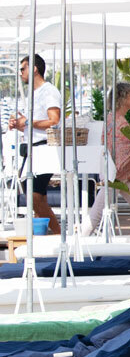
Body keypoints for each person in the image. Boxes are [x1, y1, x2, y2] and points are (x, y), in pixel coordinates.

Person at [88, 81, 130, 230]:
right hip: (116, 175)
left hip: (122, 175)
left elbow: (126, 146)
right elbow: (125, 148)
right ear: (123, 98)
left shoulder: (114, 119)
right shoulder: (118, 123)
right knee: (95, 217)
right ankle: (78, 244)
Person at [8, 54, 62, 234]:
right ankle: (45, 234)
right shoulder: (34, 94)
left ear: (34, 68)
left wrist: (28, 122)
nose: (20, 73)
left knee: (35, 196)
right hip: (33, 149)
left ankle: (56, 234)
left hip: (45, 149)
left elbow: (54, 120)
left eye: (22, 68)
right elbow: (31, 123)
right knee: (34, 196)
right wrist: (19, 125)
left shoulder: (49, 91)